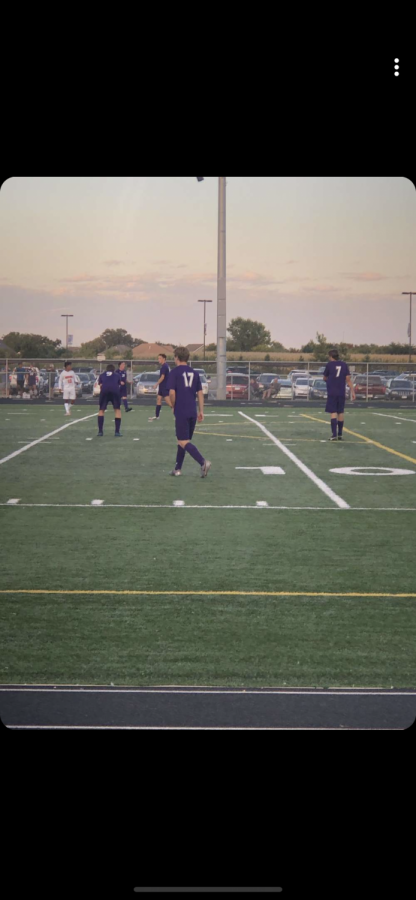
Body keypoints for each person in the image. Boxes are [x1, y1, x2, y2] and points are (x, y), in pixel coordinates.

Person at [167, 346, 211, 477]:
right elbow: (200, 393)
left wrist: (173, 406)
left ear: (177, 357)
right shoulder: (195, 373)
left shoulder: (174, 372)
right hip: (192, 410)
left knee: (183, 441)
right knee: (183, 441)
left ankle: (203, 462)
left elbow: (172, 393)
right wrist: (201, 410)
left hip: (181, 410)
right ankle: (177, 469)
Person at [323, 348, 356, 441]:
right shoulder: (344, 364)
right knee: (340, 412)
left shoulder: (329, 365)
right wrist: (353, 391)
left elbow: (324, 377)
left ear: (331, 356)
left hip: (332, 392)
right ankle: (340, 434)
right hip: (341, 391)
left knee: (333, 412)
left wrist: (329, 380)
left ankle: (334, 435)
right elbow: (348, 379)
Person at [97, 364, 123, 437]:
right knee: (117, 410)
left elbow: (100, 385)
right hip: (115, 392)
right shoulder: (117, 375)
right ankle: (117, 432)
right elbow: (118, 384)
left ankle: (100, 431)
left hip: (104, 392)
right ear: (113, 370)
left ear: (106, 369)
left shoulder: (102, 375)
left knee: (101, 410)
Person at [149, 353, 172, 420]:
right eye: (158, 358)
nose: (158, 359)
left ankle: (178, 413)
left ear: (164, 359)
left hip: (165, 386)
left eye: (160, 358)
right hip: (162, 387)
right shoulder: (163, 366)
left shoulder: (165, 366)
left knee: (168, 402)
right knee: (159, 399)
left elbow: (162, 377)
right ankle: (157, 416)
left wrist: (156, 384)